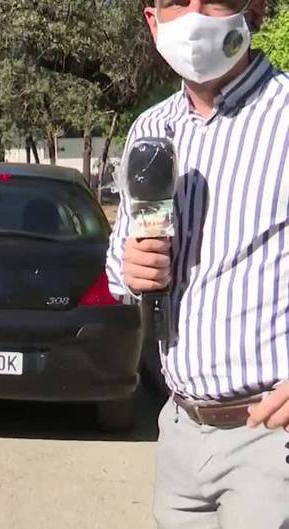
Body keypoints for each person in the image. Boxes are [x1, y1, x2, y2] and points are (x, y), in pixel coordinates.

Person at [107, 1, 289, 527]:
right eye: (174, 3)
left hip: (271, 440)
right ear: (151, 20)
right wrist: (130, 267)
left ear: (251, 9)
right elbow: (119, 273)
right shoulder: (151, 128)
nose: (193, 15)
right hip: (181, 430)